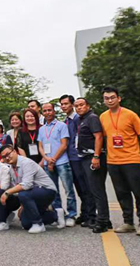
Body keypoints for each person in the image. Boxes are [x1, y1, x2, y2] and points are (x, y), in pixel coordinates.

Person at [99, 87, 140, 236]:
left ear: (119, 98)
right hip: (113, 161)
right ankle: (128, 222)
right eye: (106, 98)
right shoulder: (103, 117)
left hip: (131, 159)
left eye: (112, 97)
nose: (110, 100)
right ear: (104, 100)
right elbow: (100, 137)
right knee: (121, 193)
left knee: (138, 192)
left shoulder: (130, 115)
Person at [0, 145, 58, 233]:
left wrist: (7, 192)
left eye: (8, 154)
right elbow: (19, 186)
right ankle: (55, 215)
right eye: (4, 157)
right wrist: (23, 205)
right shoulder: (11, 168)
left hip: (47, 190)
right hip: (32, 193)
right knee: (26, 223)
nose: (7, 158)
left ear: (14, 151)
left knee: (23, 194)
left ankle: (38, 224)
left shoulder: (26, 163)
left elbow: (26, 185)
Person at [73, 97, 111, 233]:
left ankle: (103, 222)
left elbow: (99, 137)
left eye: (81, 105)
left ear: (88, 106)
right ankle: (105, 219)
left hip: (93, 157)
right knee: (93, 189)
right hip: (84, 157)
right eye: (76, 106)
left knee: (97, 190)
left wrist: (96, 156)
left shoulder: (92, 118)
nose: (79, 108)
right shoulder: (81, 120)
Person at [38, 103, 74, 229]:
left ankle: (71, 215)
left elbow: (64, 145)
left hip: (62, 162)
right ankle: (58, 215)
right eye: (45, 111)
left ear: (54, 111)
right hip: (47, 162)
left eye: (50, 110)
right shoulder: (41, 129)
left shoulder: (61, 125)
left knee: (68, 190)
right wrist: (47, 159)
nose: (47, 113)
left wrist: (53, 159)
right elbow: (40, 146)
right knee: (53, 191)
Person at [60, 94, 92, 227]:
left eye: (66, 104)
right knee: (79, 187)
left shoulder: (78, 119)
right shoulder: (66, 121)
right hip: (71, 158)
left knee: (86, 187)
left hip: (80, 157)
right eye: (62, 104)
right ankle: (84, 213)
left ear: (72, 105)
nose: (64, 106)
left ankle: (91, 215)